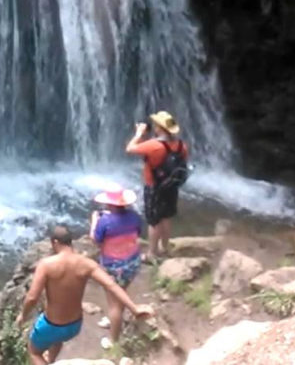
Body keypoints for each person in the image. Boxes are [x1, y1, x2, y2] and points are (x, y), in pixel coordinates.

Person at [14, 226, 152, 365]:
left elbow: (32, 297)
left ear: (55, 242)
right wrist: (134, 308)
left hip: (51, 325)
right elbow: (111, 285)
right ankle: (51, 361)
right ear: (70, 242)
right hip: (73, 326)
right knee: (57, 339)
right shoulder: (87, 264)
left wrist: (23, 316)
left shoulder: (46, 265)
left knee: (34, 352)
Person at [125, 111, 189, 260]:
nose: (154, 126)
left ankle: (152, 253)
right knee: (166, 216)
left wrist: (139, 133)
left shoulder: (154, 145)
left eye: (156, 125)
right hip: (172, 186)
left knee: (154, 220)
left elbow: (130, 148)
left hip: (154, 186)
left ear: (160, 128)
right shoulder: (181, 145)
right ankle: (165, 248)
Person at [89, 183, 143, 349]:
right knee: (121, 293)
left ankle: (114, 340)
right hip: (132, 263)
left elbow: (95, 240)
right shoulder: (134, 216)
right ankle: (114, 319)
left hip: (113, 267)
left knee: (114, 303)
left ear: (109, 204)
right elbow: (137, 233)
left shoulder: (104, 221)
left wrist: (94, 221)